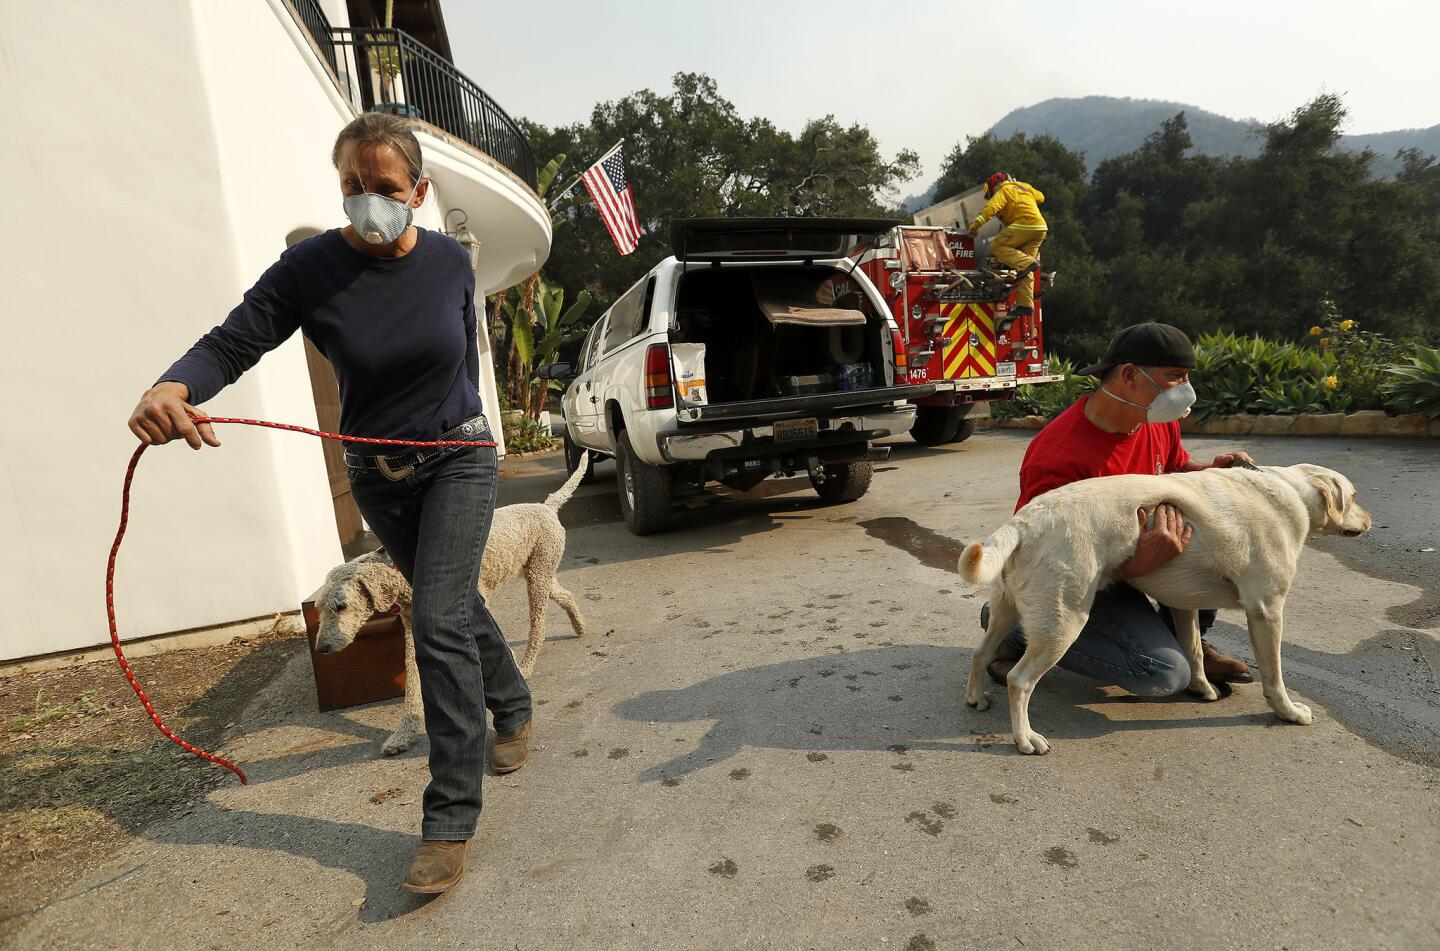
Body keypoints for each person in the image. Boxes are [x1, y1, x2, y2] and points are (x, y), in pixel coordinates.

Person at [126, 112, 531, 895]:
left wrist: (470, 430)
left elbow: (461, 360)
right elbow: (235, 338)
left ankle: (449, 815)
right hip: (379, 474)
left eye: (384, 188)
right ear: (338, 185)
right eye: (352, 186)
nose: (367, 201)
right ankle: (512, 701)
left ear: (418, 191)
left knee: (439, 615)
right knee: (452, 606)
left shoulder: (451, 263)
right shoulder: (311, 270)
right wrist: (174, 385)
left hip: (457, 458)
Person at [982, 322, 1254, 693]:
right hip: (1070, 573)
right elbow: (1051, 558)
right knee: (1163, 674)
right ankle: (1016, 625)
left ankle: (1191, 646)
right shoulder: (1059, 457)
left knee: (1215, 541)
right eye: (1175, 377)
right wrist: (1137, 565)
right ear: (1129, 375)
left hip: (1131, 556)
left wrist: (1210, 472)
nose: (1186, 390)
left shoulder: (1155, 420)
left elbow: (1176, 468)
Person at [967, 172, 1046, 324]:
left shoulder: (1003, 191)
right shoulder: (1024, 187)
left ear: (994, 186)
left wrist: (975, 226)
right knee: (1024, 270)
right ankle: (1025, 304)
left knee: (997, 246)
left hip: (1025, 224)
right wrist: (1023, 189)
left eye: (991, 193)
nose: (991, 196)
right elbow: (1041, 197)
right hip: (1041, 228)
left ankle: (1028, 263)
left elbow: (990, 209)